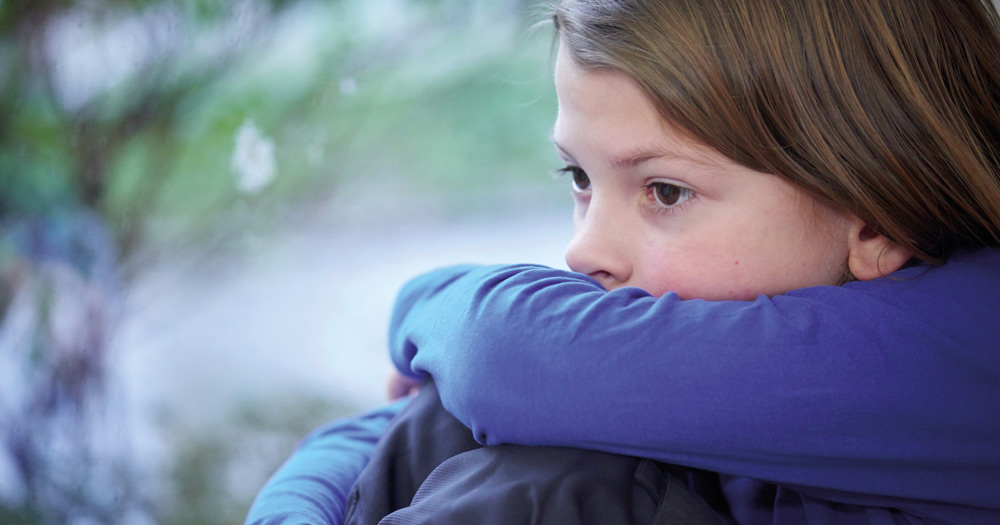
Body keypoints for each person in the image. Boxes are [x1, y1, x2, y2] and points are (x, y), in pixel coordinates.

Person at [246, 0, 1000, 523]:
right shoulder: (714, 310)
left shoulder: (968, 349)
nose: (582, 252)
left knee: (556, 489)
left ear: (877, 217)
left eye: (664, 190)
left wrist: (423, 309)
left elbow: (504, 356)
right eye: (579, 178)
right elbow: (378, 432)